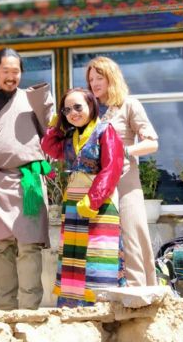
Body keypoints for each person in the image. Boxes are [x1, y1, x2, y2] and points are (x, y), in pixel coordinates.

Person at [0, 48, 54, 311]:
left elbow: (52, 131)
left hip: (27, 182)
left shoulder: (32, 100)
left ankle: (30, 312)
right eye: (5, 71)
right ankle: (7, 311)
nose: (11, 77)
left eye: (15, 71)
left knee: (29, 247)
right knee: (2, 248)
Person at [41, 88, 126, 307]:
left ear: (91, 105)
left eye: (78, 107)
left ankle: (101, 307)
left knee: (99, 253)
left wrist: (93, 200)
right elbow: (49, 147)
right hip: (73, 204)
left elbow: (112, 168)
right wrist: (55, 125)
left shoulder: (106, 130)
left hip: (99, 203)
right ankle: (71, 308)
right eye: (67, 110)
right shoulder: (70, 136)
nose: (73, 113)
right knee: (74, 256)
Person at [86, 56, 159, 286]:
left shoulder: (129, 104)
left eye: (99, 78)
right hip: (95, 184)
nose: (94, 83)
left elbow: (152, 143)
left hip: (125, 179)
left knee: (132, 235)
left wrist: (124, 152)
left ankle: (141, 291)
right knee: (100, 241)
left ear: (111, 78)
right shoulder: (88, 110)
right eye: (90, 79)